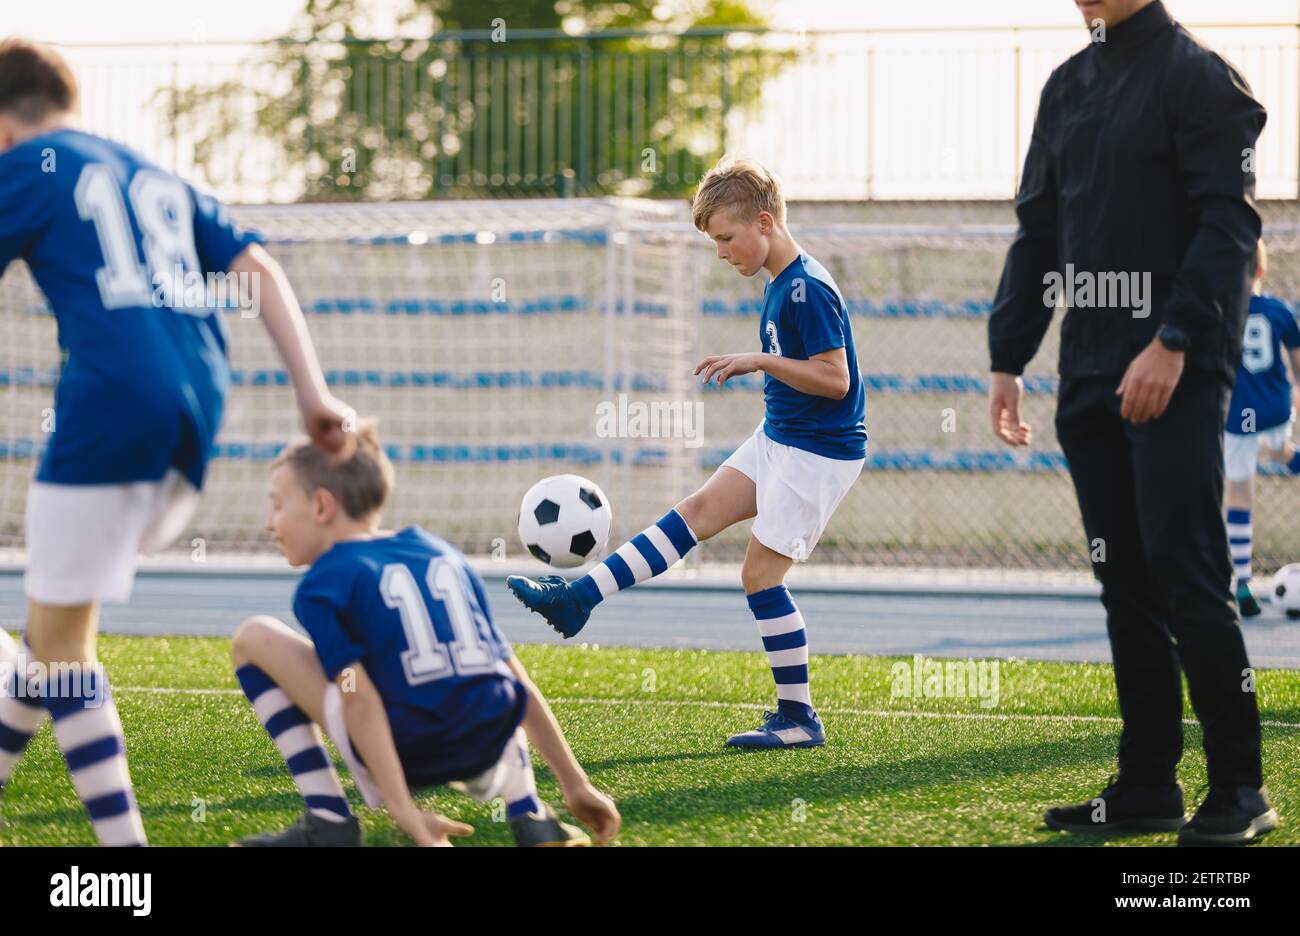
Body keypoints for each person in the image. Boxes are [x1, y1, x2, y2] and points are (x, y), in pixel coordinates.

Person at [0, 38, 352, 846]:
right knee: (50, 633)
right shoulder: (146, 169)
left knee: (63, 652)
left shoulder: (28, 165)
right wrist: (311, 391)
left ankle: (126, 867)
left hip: (110, 405)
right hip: (196, 407)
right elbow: (256, 266)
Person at [987, 0, 1275, 845]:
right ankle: (1148, 782)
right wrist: (1009, 355)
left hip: (1176, 367)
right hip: (1087, 372)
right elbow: (1037, 232)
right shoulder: (1066, 84)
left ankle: (1241, 788)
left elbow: (1231, 222)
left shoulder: (1200, 78)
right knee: (1126, 584)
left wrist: (1176, 337)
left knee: (1188, 575)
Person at [507, 156, 866, 749]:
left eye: (727, 238)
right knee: (697, 512)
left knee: (759, 576)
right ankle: (579, 598)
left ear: (765, 222)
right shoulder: (782, 282)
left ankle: (799, 718)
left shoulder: (805, 287)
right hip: (782, 435)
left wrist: (757, 361)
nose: (722, 253)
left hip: (816, 453)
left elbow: (836, 380)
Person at [232, 423, 620, 846]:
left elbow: (356, 695)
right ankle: (529, 814)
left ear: (322, 506)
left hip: (407, 754)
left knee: (255, 639)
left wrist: (405, 812)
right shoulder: (441, 552)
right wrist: (575, 783)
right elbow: (516, 680)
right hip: (487, 744)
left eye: (277, 505)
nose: (270, 523)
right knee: (492, 678)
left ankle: (329, 820)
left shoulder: (323, 583)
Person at [1223, 239, 1300, 617]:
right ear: (1261, 270)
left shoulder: (1222, 313)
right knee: (1282, 451)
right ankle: (1289, 455)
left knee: (1239, 494)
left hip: (1238, 416)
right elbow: (1298, 362)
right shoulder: (1278, 311)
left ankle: (1242, 580)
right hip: (1273, 410)